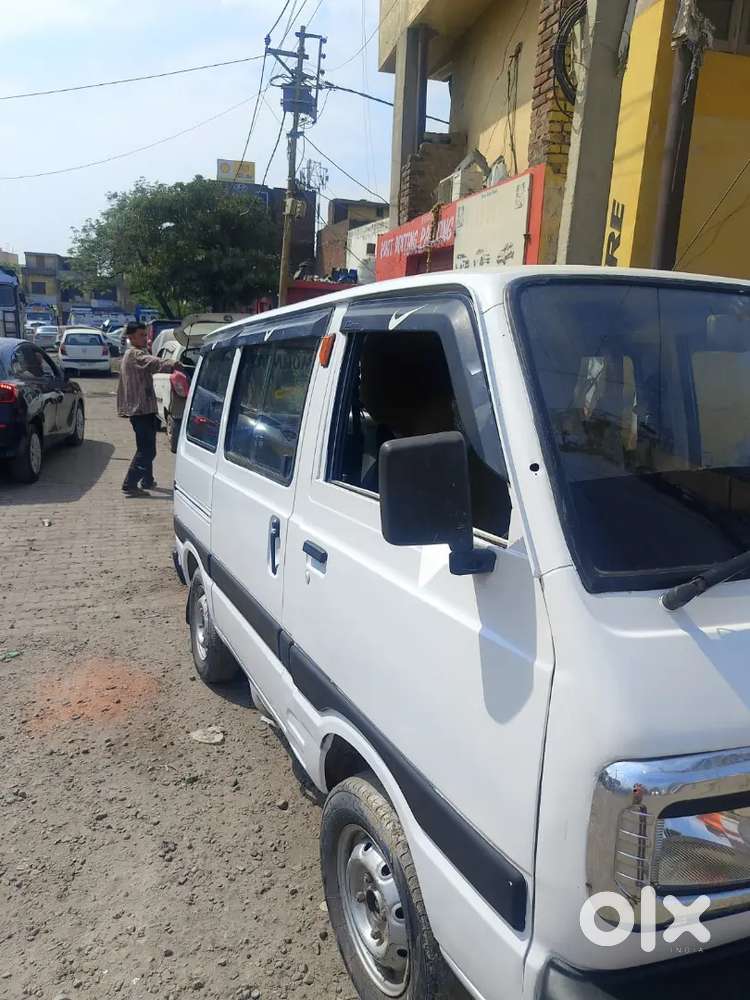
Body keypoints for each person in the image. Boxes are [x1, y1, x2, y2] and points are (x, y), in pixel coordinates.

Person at [117, 320, 176, 496]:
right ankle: (130, 484)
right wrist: (174, 364)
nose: (145, 339)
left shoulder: (135, 353)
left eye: (146, 335)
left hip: (144, 409)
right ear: (131, 337)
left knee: (145, 447)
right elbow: (153, 362)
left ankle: (147, 480)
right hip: (140, 410)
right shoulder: (134, 354)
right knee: (147, 450)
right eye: (142, 335)